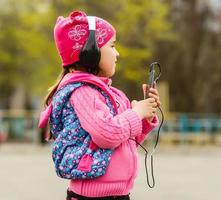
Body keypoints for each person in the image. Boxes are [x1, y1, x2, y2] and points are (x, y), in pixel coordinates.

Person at [38, 10, 160, 200]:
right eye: (112, 46)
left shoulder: (114, 95)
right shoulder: (82, 93)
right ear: (90, 52)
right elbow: (107, 135)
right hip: (92, 197)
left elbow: (125, 140)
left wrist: (145, 116)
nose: (117, 53)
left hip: (119, 195)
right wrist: (136, 114)